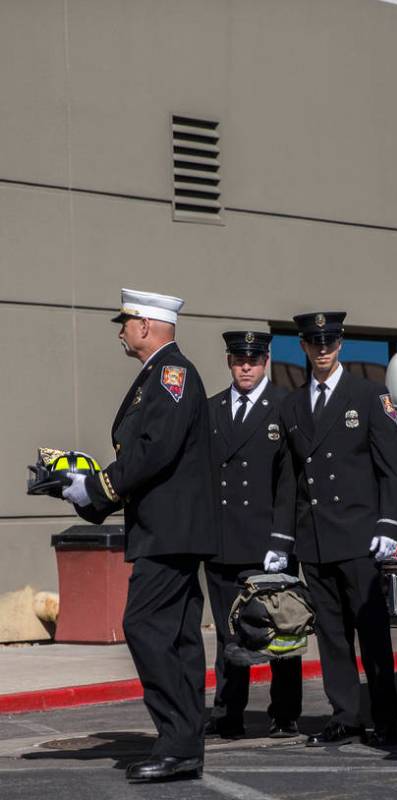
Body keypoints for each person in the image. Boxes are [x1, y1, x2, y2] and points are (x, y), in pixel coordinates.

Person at [61, 288, 216, 782]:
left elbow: (154, 451)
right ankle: (184, 743)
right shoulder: (161, 375)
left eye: (125, 323)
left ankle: (177, 742)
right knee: (178, 636)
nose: (121, 331)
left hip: (170, 531)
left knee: (145, 627)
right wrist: (86, 490)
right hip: (168, 529)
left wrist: (98, 488)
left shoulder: (172, 375)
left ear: (146, 325)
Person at [265, 311, 397, 748]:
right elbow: (290, 479)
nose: (322, 349)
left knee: (372, 632)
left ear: (340, 344)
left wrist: (390, 523)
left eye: (329, 341)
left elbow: (391, 467)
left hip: (360, 535)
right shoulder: (291, 404)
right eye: (313, 343)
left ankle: (386, 719)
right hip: (315, 538)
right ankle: (345, 716)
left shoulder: (368, 394)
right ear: (304, 348)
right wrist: (281, 539)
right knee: (331, 635)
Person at [204, 331, 302, 740]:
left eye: (255, 359)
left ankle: (285, 712)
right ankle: (229, 712)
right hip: (223, 541)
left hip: (266, 544)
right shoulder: (210, 409)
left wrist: (281, 540)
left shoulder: (285, 406)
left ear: (266, 361)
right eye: (239, 359)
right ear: (229, 361)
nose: (246, 366)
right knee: (229, 635)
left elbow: (290, 482)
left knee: (279, 630)